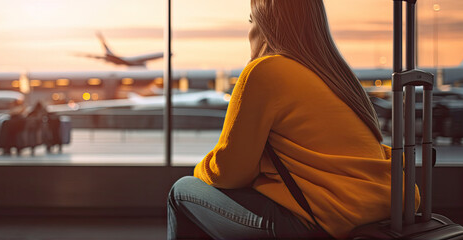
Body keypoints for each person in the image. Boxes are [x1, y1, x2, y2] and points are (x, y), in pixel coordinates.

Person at [167, 1, 420, 239]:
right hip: (378, 211)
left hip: (317, 220)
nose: (250, 30)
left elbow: (231, 172)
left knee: (182, 190)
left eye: (251, 20)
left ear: (265, 25)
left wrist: (201, 170)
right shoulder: (338, 77)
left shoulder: (264, 71)